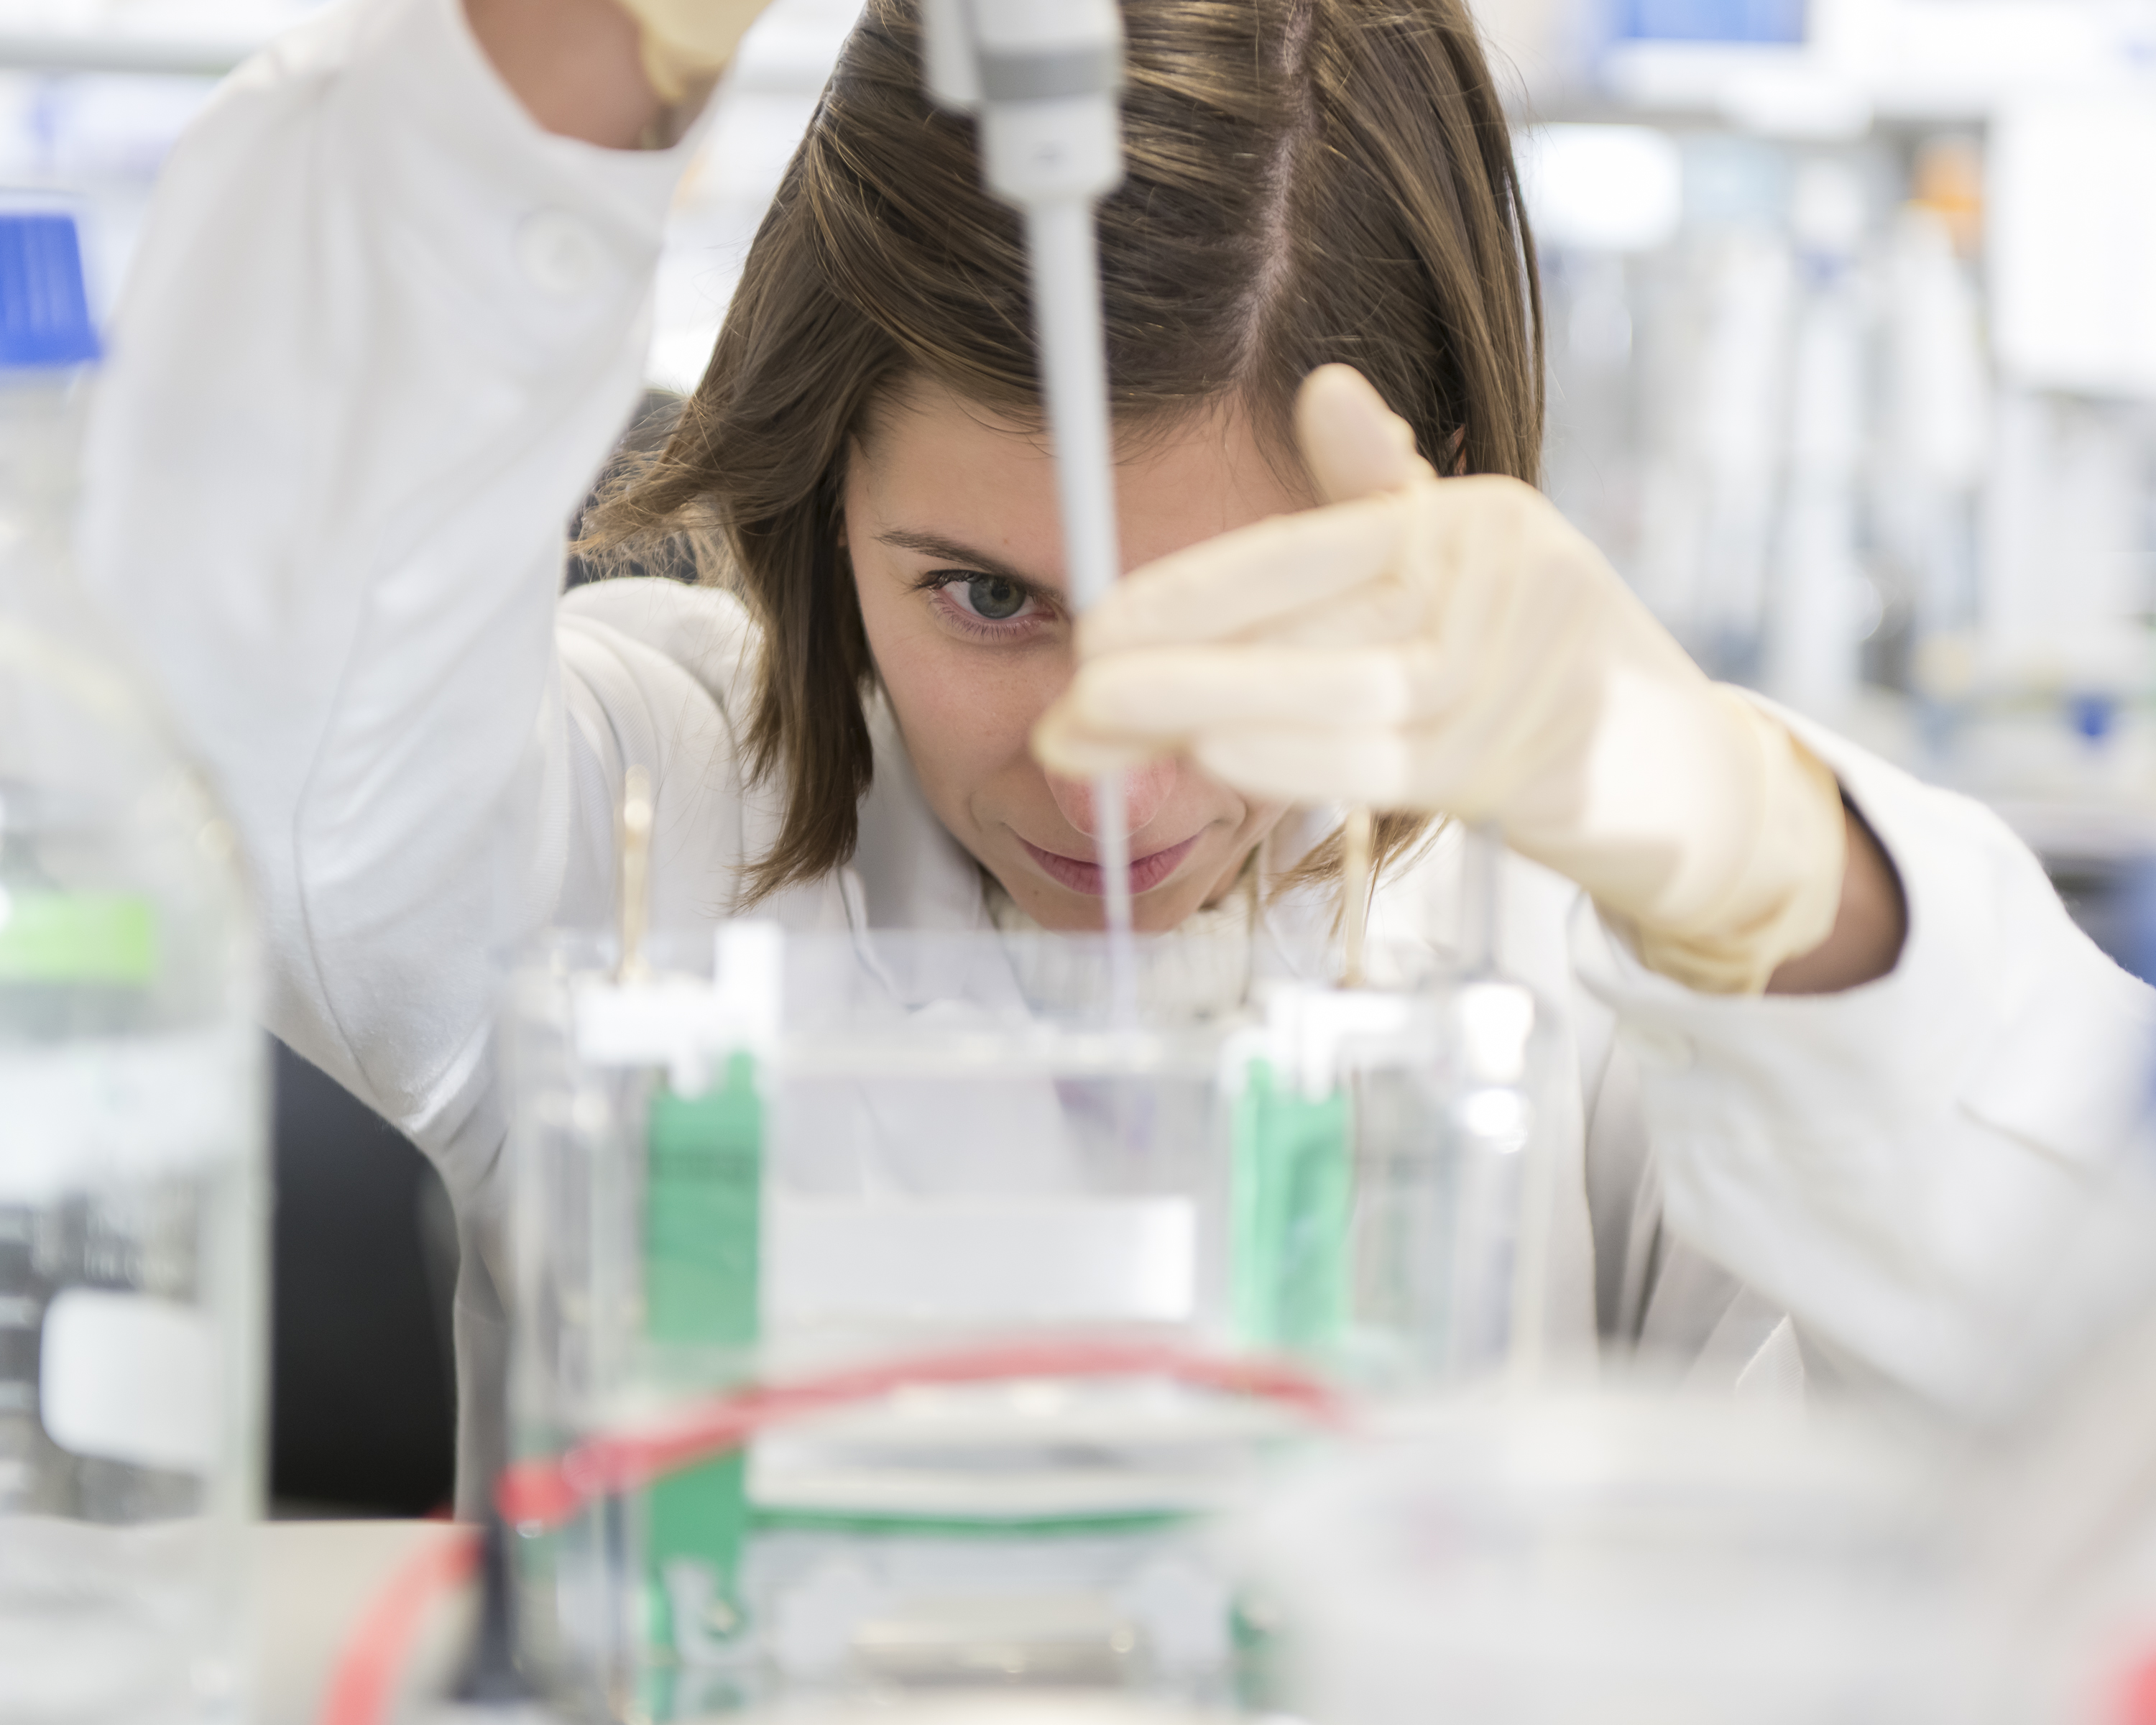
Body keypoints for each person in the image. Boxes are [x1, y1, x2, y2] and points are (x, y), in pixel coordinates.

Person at [78, 0, 2155, 1510]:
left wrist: (1780, 891)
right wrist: (563, 62)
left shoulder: (1610, 908)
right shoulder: (656, 805)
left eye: (1256, 614)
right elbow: (253, 715)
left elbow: (2091, 1398)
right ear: (824, 506)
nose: (1112, 777)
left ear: (1441, 488)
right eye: (987, 596)